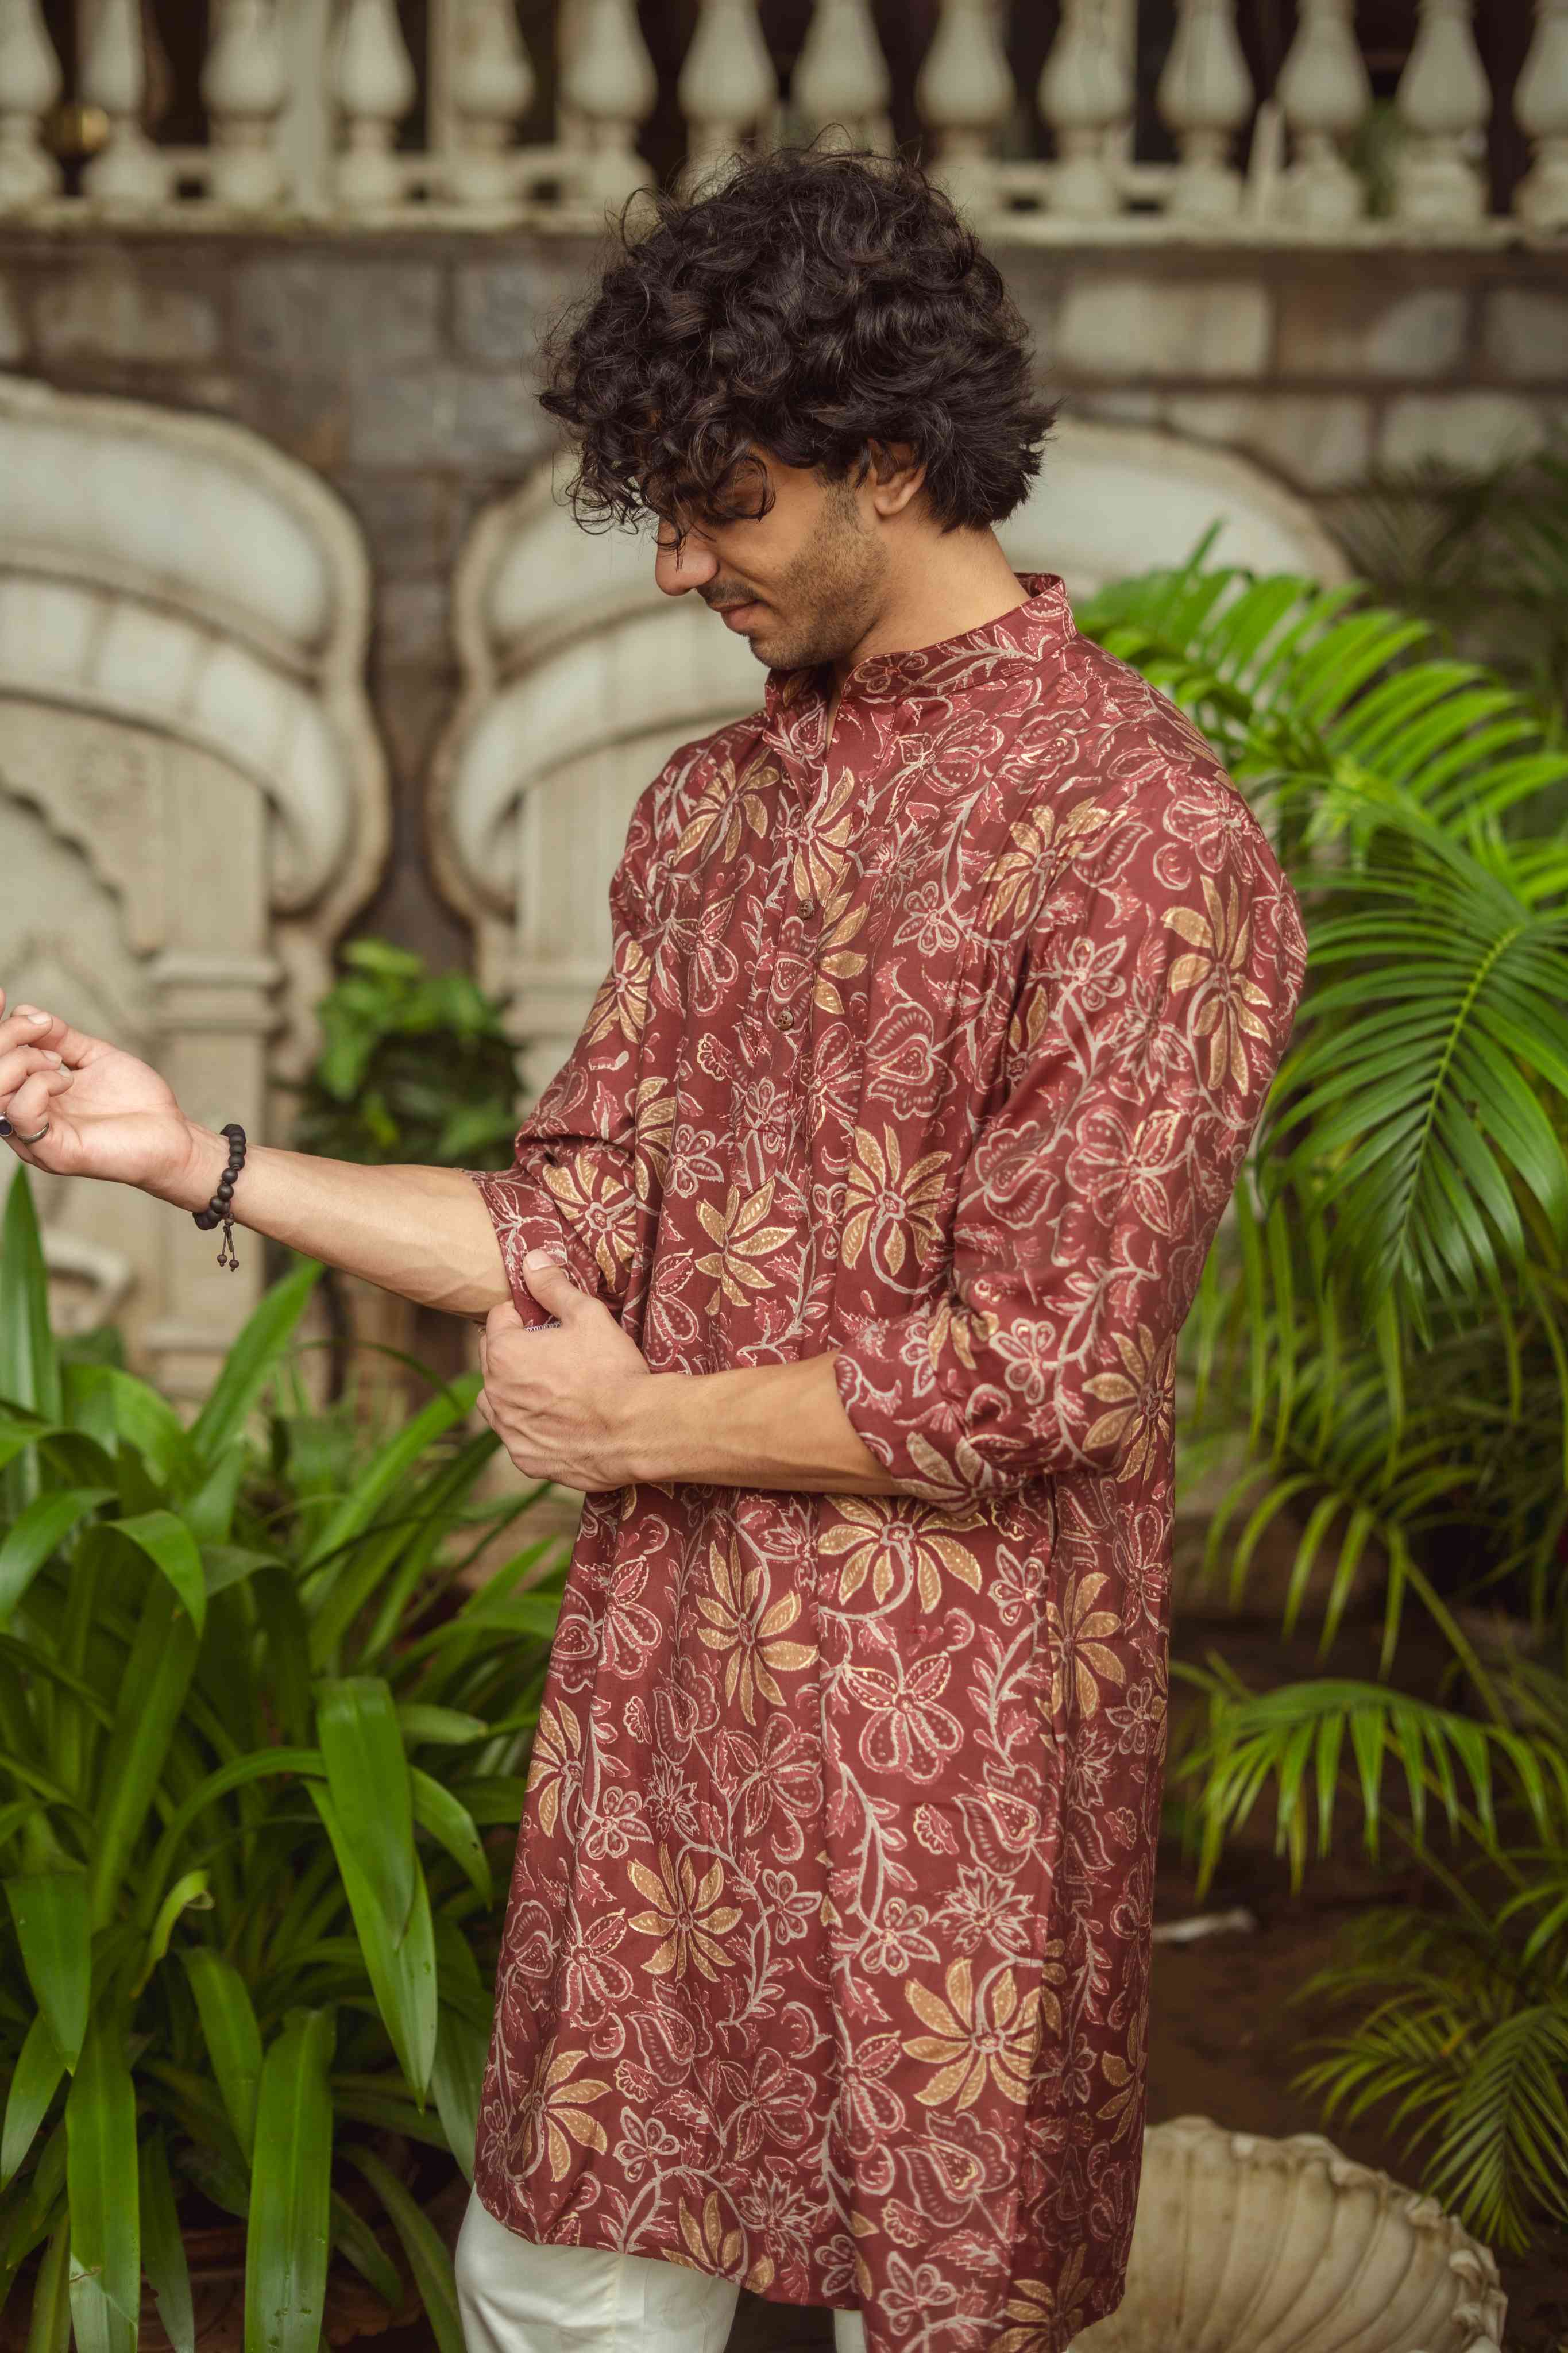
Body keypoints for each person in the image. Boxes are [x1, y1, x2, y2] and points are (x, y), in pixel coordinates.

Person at [0, 149, 1307, 2353]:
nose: (686, 563)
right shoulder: (711, 811)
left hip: (949, 1754)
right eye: (666, 513)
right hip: (666, 1722)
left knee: (944, 2310)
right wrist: (188, 1155)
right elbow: (563, 1218)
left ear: (893, 465)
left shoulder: (1139, 834)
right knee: (563, 2285)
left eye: (731, 508)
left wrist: (631, 1420)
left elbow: (1044, 1368)